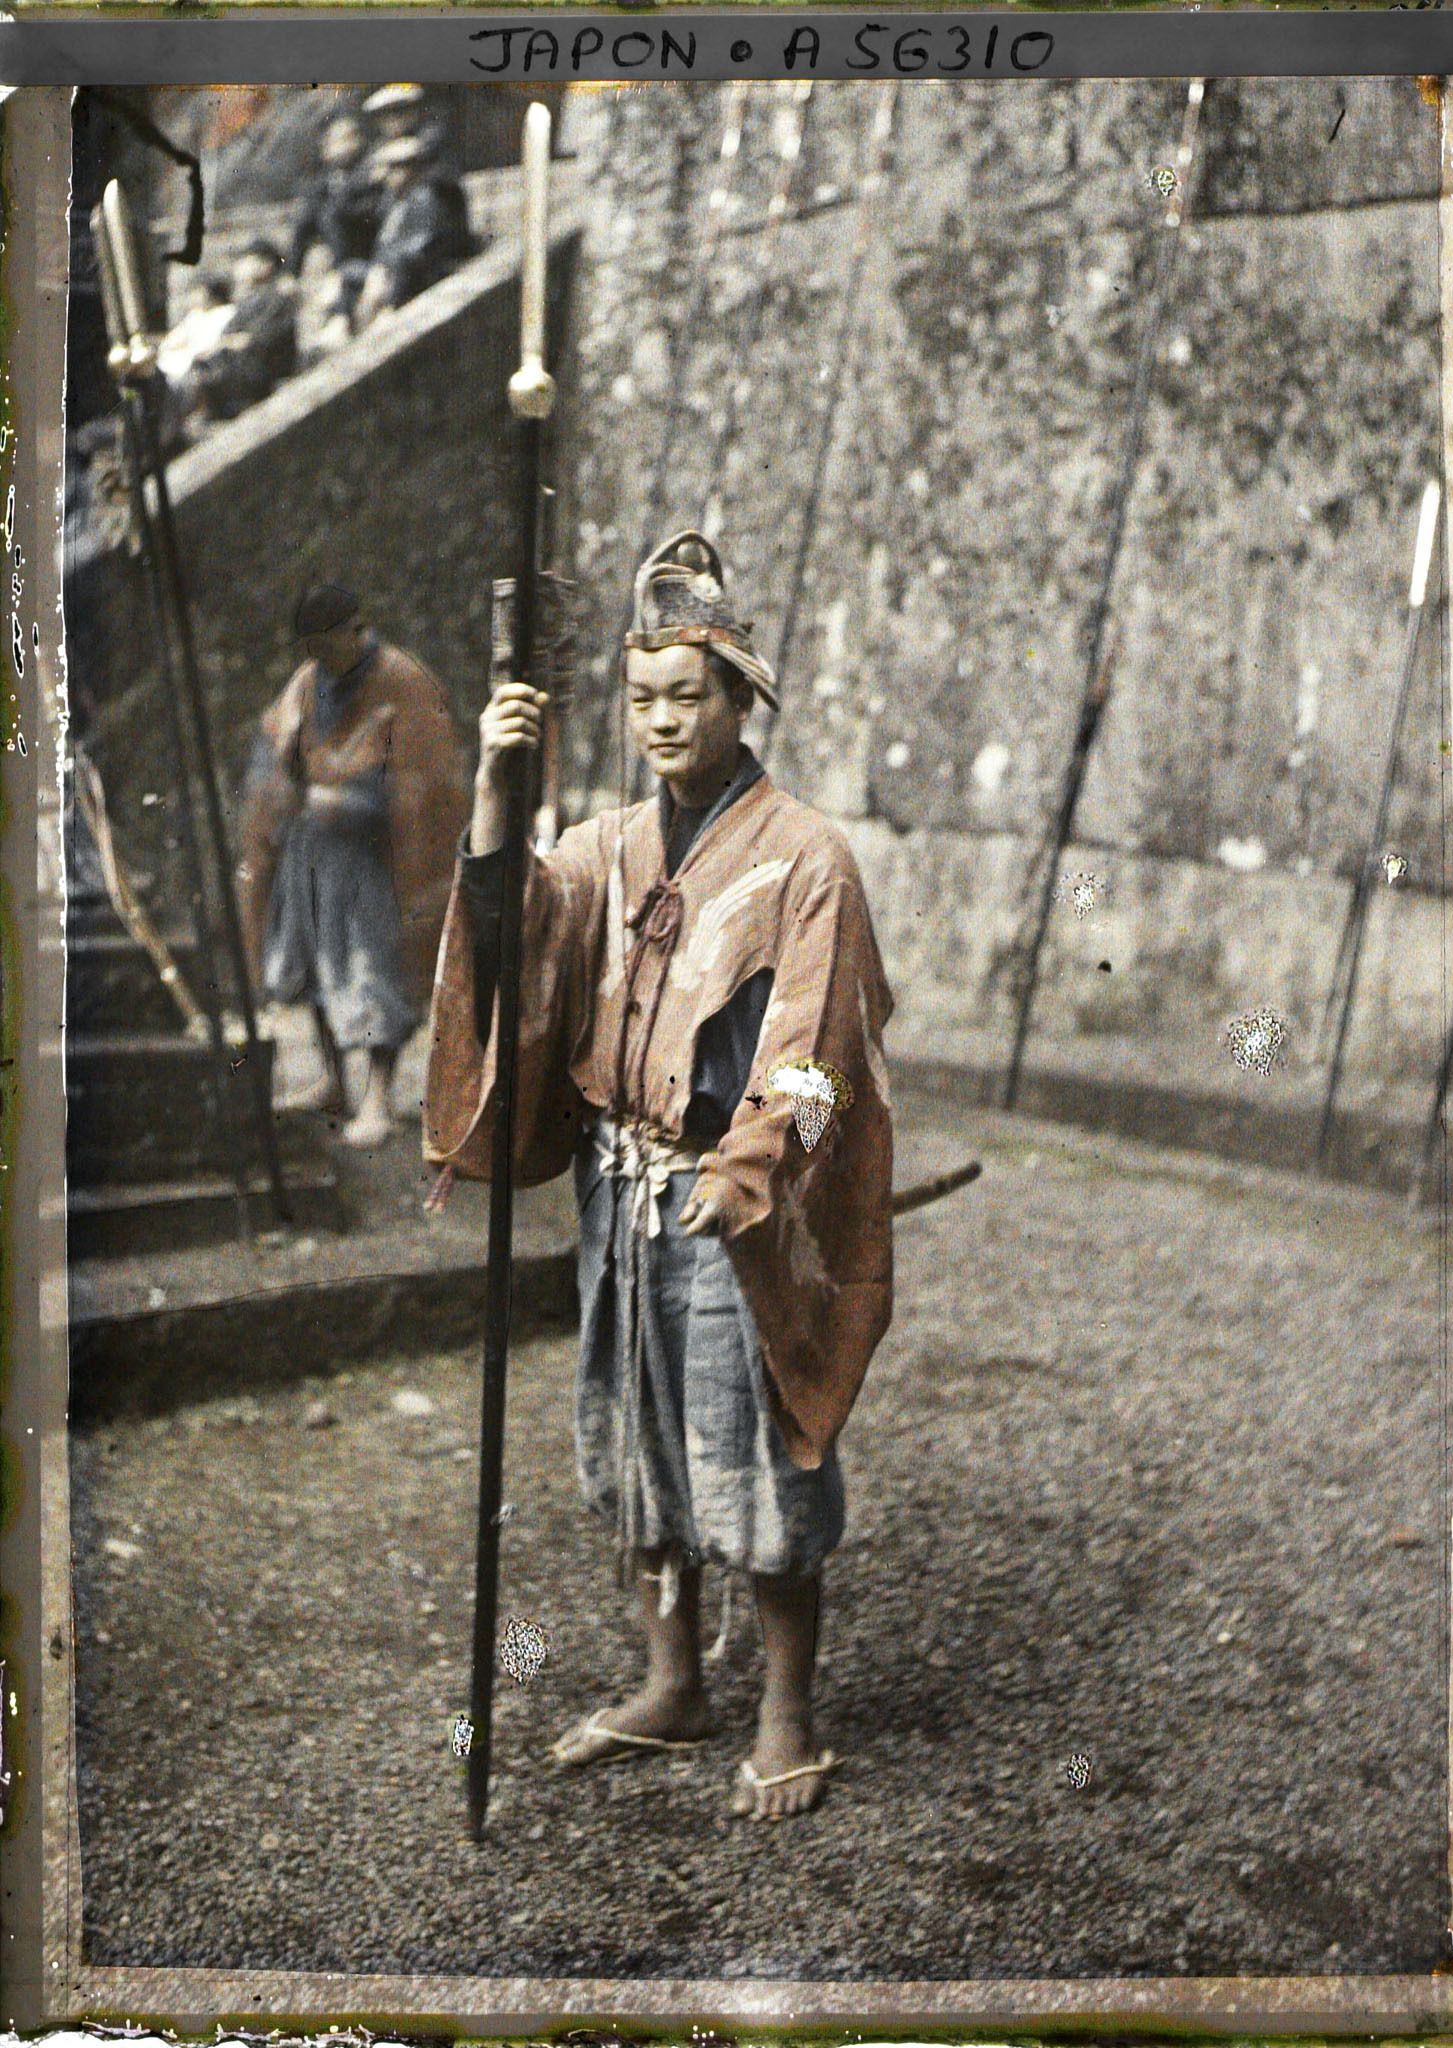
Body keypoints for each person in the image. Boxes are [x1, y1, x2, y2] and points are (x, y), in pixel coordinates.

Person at [424, 532, 895, 1820]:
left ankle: (787, 1711)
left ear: (742, 701)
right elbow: (510, 928)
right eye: (641, 699)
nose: (663, 720)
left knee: (759, 1444)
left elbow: (819, 1054)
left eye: (687, 695)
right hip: (619, 1191)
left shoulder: (808, 856)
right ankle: (673, 1679)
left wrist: (747, 1168)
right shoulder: (609, 845)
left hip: (733, 1204)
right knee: (634, 1440)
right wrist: (496, 782)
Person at [237, 584, 470, 1148]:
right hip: (311, 854)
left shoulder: (402, 679)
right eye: (310, 649)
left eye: (326, 645)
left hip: (378, 859)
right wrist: (285, 793)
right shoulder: (308, 680)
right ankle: (334, 1081)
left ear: (353, 630)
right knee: (314, 967)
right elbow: (277, 753)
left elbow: (427, 782)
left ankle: (377, 1099)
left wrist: (354, 801)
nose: (318, 658)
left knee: (372, 972)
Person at [353, 135, 471, 330]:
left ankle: (386, 317)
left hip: (424, 270)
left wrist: (386, 267)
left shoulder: (429, 197)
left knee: (394, 271)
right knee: (351, 274)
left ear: (410, 169)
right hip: (393, 268)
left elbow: (424, 246)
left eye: (393, 169)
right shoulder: (395, 200)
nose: (385, 177)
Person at [288, 113, 384, 338]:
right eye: (336, 141)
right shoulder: (323, 184)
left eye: (351, 138)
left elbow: (369, 214)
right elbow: (303, 228)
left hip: (371, 257)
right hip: (341, 263)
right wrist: (291, 272)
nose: (345, 146)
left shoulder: (373, 172)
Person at [185, 239, 298, 428]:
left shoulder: (277, 298)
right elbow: (228, 334)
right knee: (201, 365)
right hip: (243, 362)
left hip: (265, 365)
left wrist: (230, 343)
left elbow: (259, 338)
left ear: (267, 265)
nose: (242, 267)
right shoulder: (247, 301)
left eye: (249, 261)